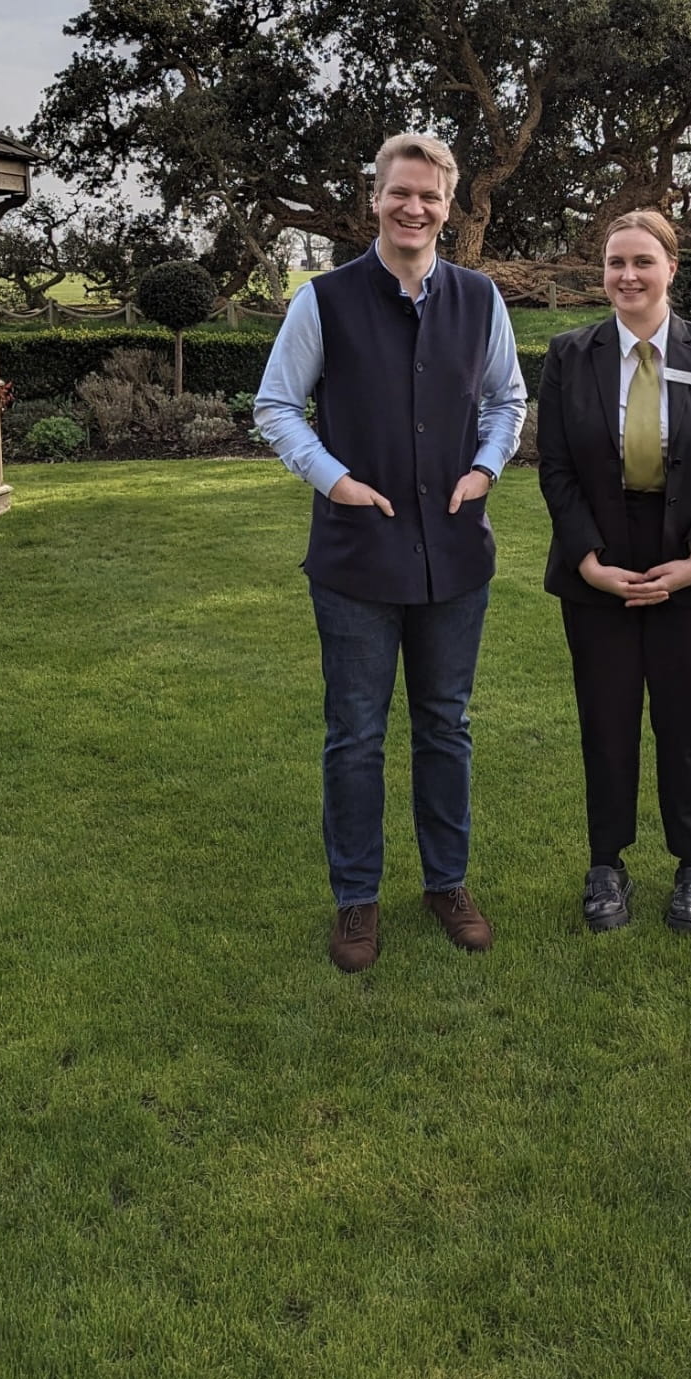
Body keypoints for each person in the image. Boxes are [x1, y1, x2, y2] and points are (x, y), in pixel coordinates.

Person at [254, 134, 527, 972]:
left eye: (431, 198)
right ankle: (356, 900)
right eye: (400, 193)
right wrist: (333, 479)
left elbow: (507, 399)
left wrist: (486, 467)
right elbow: (277, 406)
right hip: (355, 560)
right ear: (375, 198)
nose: (415, 209)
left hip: (453, 556)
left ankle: (447, 882)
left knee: (447, 727)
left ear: (450, 208)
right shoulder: (324, 300)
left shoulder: (480, 300)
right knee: (356, 735)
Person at [537, 210, 691, 935]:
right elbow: (558, 467)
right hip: (602, 553)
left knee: (684, 722)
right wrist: (588, 560)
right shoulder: (570, 354)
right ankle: (607, 865)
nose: (626, 276)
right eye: (614, 263)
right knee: (606, 723)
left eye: (641, 261)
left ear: (671, 269)